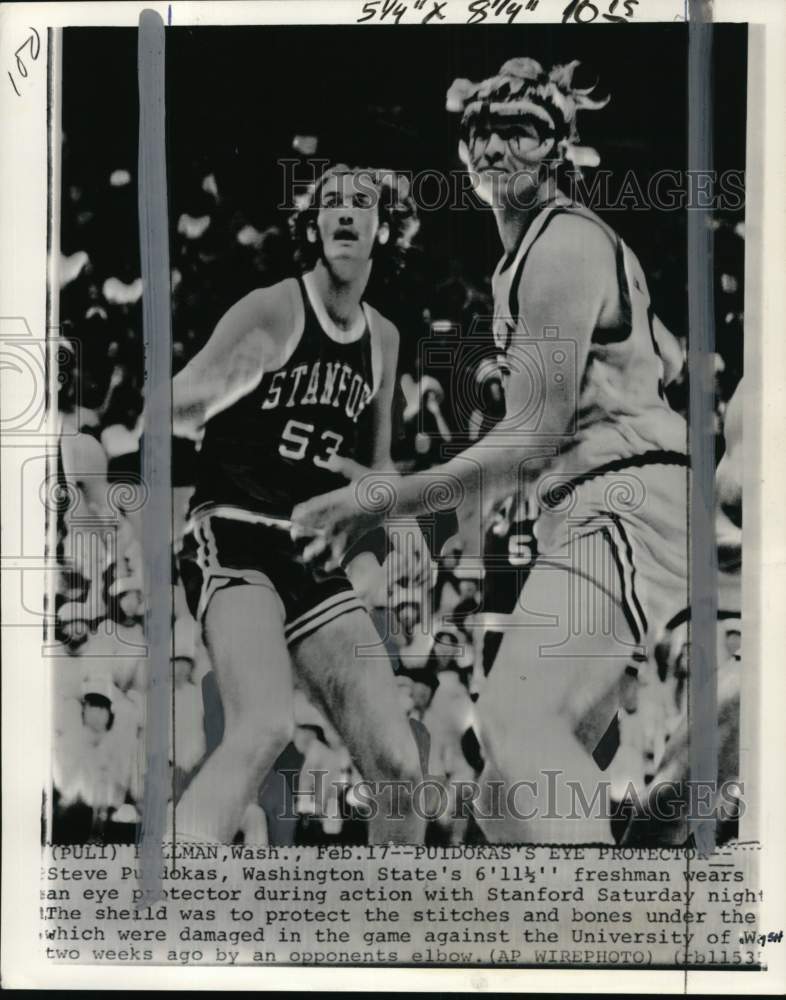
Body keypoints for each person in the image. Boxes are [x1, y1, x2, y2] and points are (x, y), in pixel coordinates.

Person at [292, 58, 689, 843]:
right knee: (506, 798)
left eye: (524, 131)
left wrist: (381, 498)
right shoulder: (542, 255)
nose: (499, 147)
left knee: (515, 726)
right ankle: (641, 860)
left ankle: (608, 943)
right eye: (483, 131)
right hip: (612, 501)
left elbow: (532, 436)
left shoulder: (562, 244)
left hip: (623, 501)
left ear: (560, 149)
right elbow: (666, 357)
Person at [172, 165, 427, 844]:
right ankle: (162, 899)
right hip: (234, 531)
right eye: (330, 204)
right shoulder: (271, 308)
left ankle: (392, 940)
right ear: (312, 226)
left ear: (385, 227)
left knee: (400, 768)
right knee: (264, 724)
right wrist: (222, 388)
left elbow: (376, 470)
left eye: (361, 203)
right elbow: (167, 405)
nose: (345, 212)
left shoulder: (385, 339)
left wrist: (394, 527)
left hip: (311, 551)